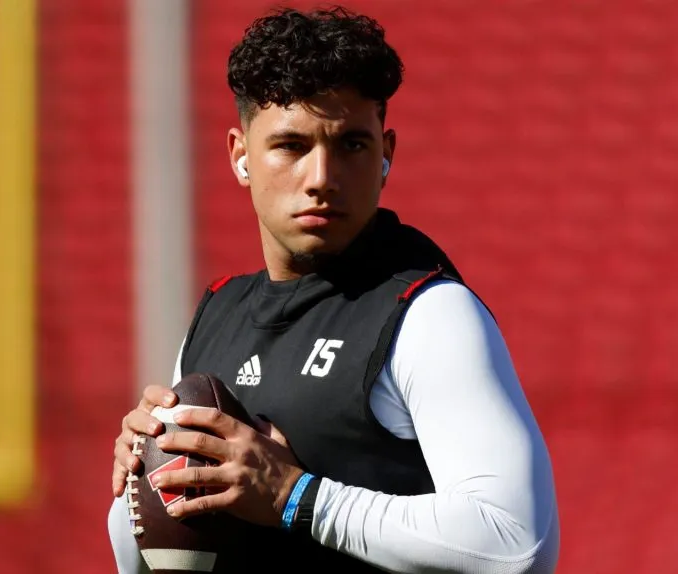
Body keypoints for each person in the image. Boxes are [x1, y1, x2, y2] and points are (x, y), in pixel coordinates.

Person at [108, 6, 559, 573]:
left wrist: (295, 495)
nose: (322, 178)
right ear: (240, 155)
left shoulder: (427, 312)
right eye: (292, 146)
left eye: (351, 145)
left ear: (386, 152)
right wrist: (136, 486)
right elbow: (153, 562)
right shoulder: (218, 314)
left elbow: (517, 543)